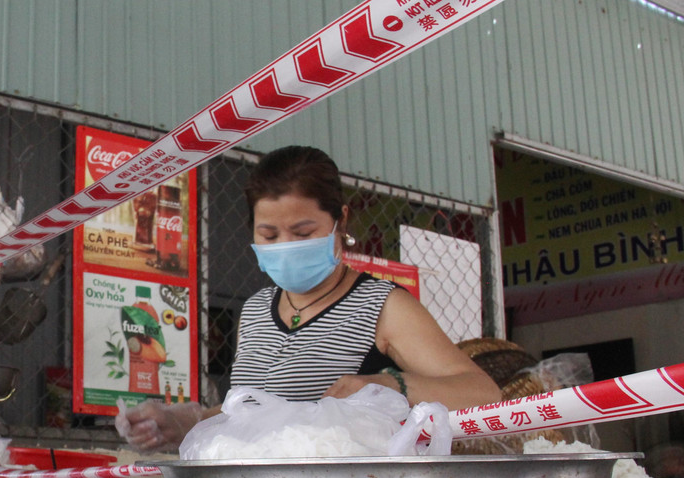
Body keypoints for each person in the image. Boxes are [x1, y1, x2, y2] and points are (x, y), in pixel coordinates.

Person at [117, 145, 499, 452]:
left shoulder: (382, 306)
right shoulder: (254, 311)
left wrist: (390, 385)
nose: (286, 247)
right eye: (269, 235)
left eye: (303, 233)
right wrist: (184, 420)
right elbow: (254, 411)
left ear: (341, 221)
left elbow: (482, 394)